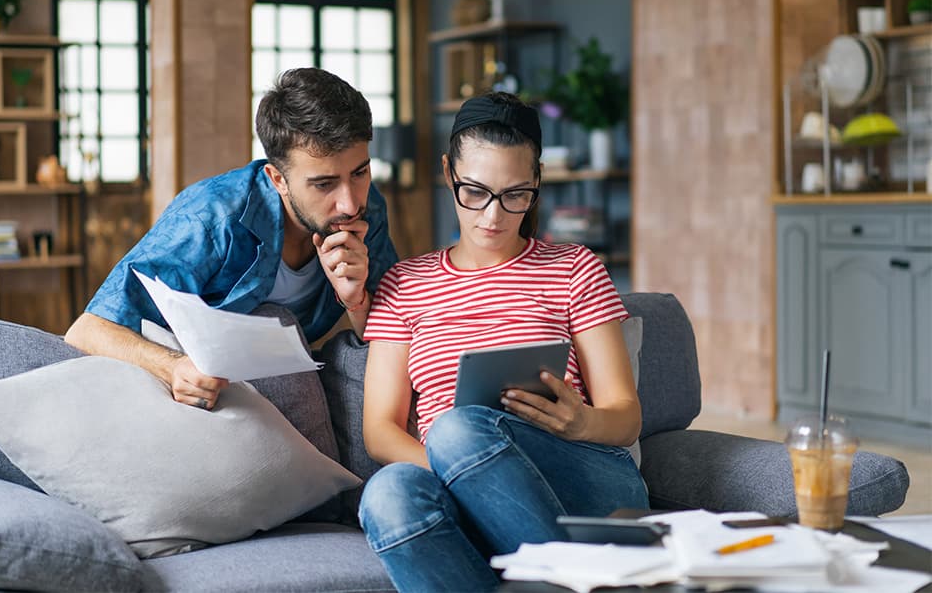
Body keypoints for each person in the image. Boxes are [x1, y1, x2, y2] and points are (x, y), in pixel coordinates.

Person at [358, 92, 648, 591]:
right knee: (388, 493)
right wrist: (461, 473)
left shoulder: (574, 269)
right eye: (475, 191)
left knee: (455, 429)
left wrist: (582, 422)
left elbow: (626, 417)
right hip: (456, 475)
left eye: (515, 195)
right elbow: (380, 431)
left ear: (536, 183)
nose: (493, 216)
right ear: (449, 172)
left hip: (582, 474)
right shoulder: (404, 284)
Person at [65, 67, 398, 411]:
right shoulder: (211, 217)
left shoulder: (367, 207)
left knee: (371, 361)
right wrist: (173, 366)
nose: (350, 202)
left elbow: (394, 331)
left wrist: (356, 301)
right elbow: (88, 330)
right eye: (324, 184)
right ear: (277, 179)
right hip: (198, 385)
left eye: (360, 172)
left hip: (289, 374)